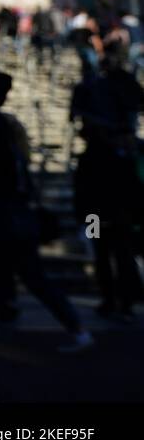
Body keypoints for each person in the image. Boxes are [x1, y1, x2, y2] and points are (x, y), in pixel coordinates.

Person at [0, 114, 92, 350]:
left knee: (7, 277)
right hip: (22, 224)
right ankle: (76, 328)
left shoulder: (0, 156)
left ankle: (1, 327)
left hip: (6, 225)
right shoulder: (19, 156)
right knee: (32, 280)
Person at [70, 40, 144, 320]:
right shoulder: (116, 155)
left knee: (110, 250)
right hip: (109, 206)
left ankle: (117, 299)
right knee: (112, 250)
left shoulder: (111, 154)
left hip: (107, 205)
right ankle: (117, 299)